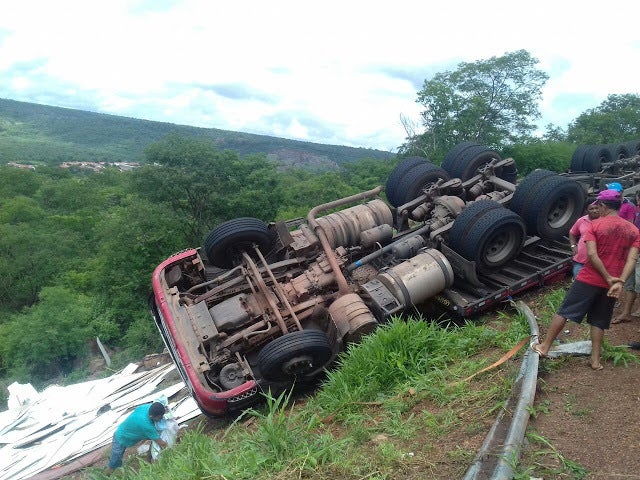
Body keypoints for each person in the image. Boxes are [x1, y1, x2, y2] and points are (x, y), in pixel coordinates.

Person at [530, 189, 640, 370]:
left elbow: (591, 254)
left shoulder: (594, 226)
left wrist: (606, 276)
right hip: (611, 286)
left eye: (599, 205)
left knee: (565, 311)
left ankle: (544, 347)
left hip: (589, 278)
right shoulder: (633, 230)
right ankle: (595, 360)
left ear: (603, 206)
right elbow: (632, 259)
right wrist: (618, 281)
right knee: (599, 320)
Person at [106, 402, 168, 474]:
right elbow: (162, 443)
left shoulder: (147, 407)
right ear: (151, 416)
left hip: (129, 429)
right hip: (121, 437)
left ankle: (148, 459)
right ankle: (105, 476)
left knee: (154, 439)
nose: (161, 419)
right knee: (114, 463)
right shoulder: (146, 425)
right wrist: (172, 449)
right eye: (160, 418)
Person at [569, 203, 600, 277]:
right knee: (578, 284)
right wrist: (573, 246)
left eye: (596, 208)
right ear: (587, 210)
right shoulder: (582, 220)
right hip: (580, 261)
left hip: (598, 262)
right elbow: (572, 233)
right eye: (591, 209)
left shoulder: (605, 220)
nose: (595, 211)